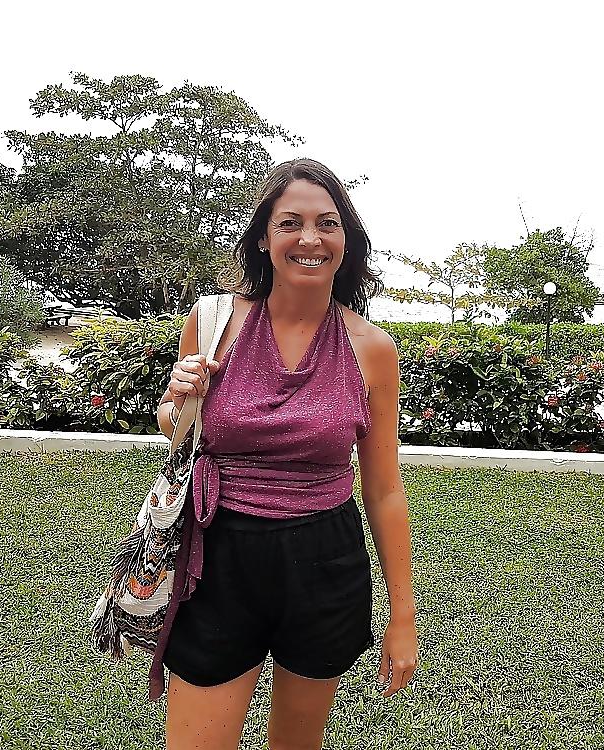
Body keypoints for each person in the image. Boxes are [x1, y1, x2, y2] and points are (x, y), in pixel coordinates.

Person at [151, 158, 418, 750]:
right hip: (217, 556)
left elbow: (383, 488)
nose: (309, 238)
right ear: (264, 238)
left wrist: (403, 615)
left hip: (324, 561)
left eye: (327, 223)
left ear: (346, 240)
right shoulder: (214, 321)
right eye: (290, 223)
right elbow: (177, 430)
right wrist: (176, 398)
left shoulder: (372, 349)